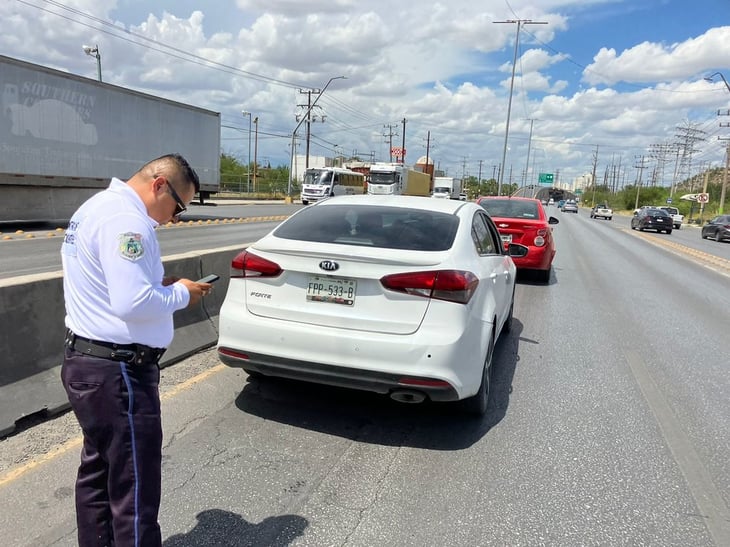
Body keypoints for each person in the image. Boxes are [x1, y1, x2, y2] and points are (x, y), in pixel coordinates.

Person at [60, 153, 213, 547]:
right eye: (178, 206)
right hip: (119, 372)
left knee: (99, 474)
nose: (175, 217)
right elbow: (131, 304)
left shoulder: (96, 208)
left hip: (88, 363)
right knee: (135, 485)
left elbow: (111, 284)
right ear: (160, 184)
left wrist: (159, 282)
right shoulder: (127, 222)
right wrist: (182, 293)